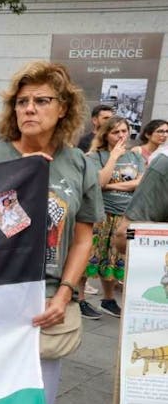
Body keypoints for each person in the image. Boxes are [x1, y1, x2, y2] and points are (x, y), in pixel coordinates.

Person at [0, 61, 102, 404]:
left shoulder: (80, 164)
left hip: (48, 302)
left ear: (63, 108)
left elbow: (82, 238)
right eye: (22, 101)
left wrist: (65, 293)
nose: (29, 108)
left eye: (42, 100)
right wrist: (24, 177)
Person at [82, 116, 144, 318]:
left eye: (124, 131)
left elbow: (140, 182)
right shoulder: (95, 156)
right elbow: (99, 181)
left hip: (126, 215)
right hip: (100, 213)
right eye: (115, 132)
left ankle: (107, 300)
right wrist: (114, 158)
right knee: (90, 256)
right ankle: (80, 298)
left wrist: (111, 186)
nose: (120, 136)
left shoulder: (135, 156)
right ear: (105, 134)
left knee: (116, 258)